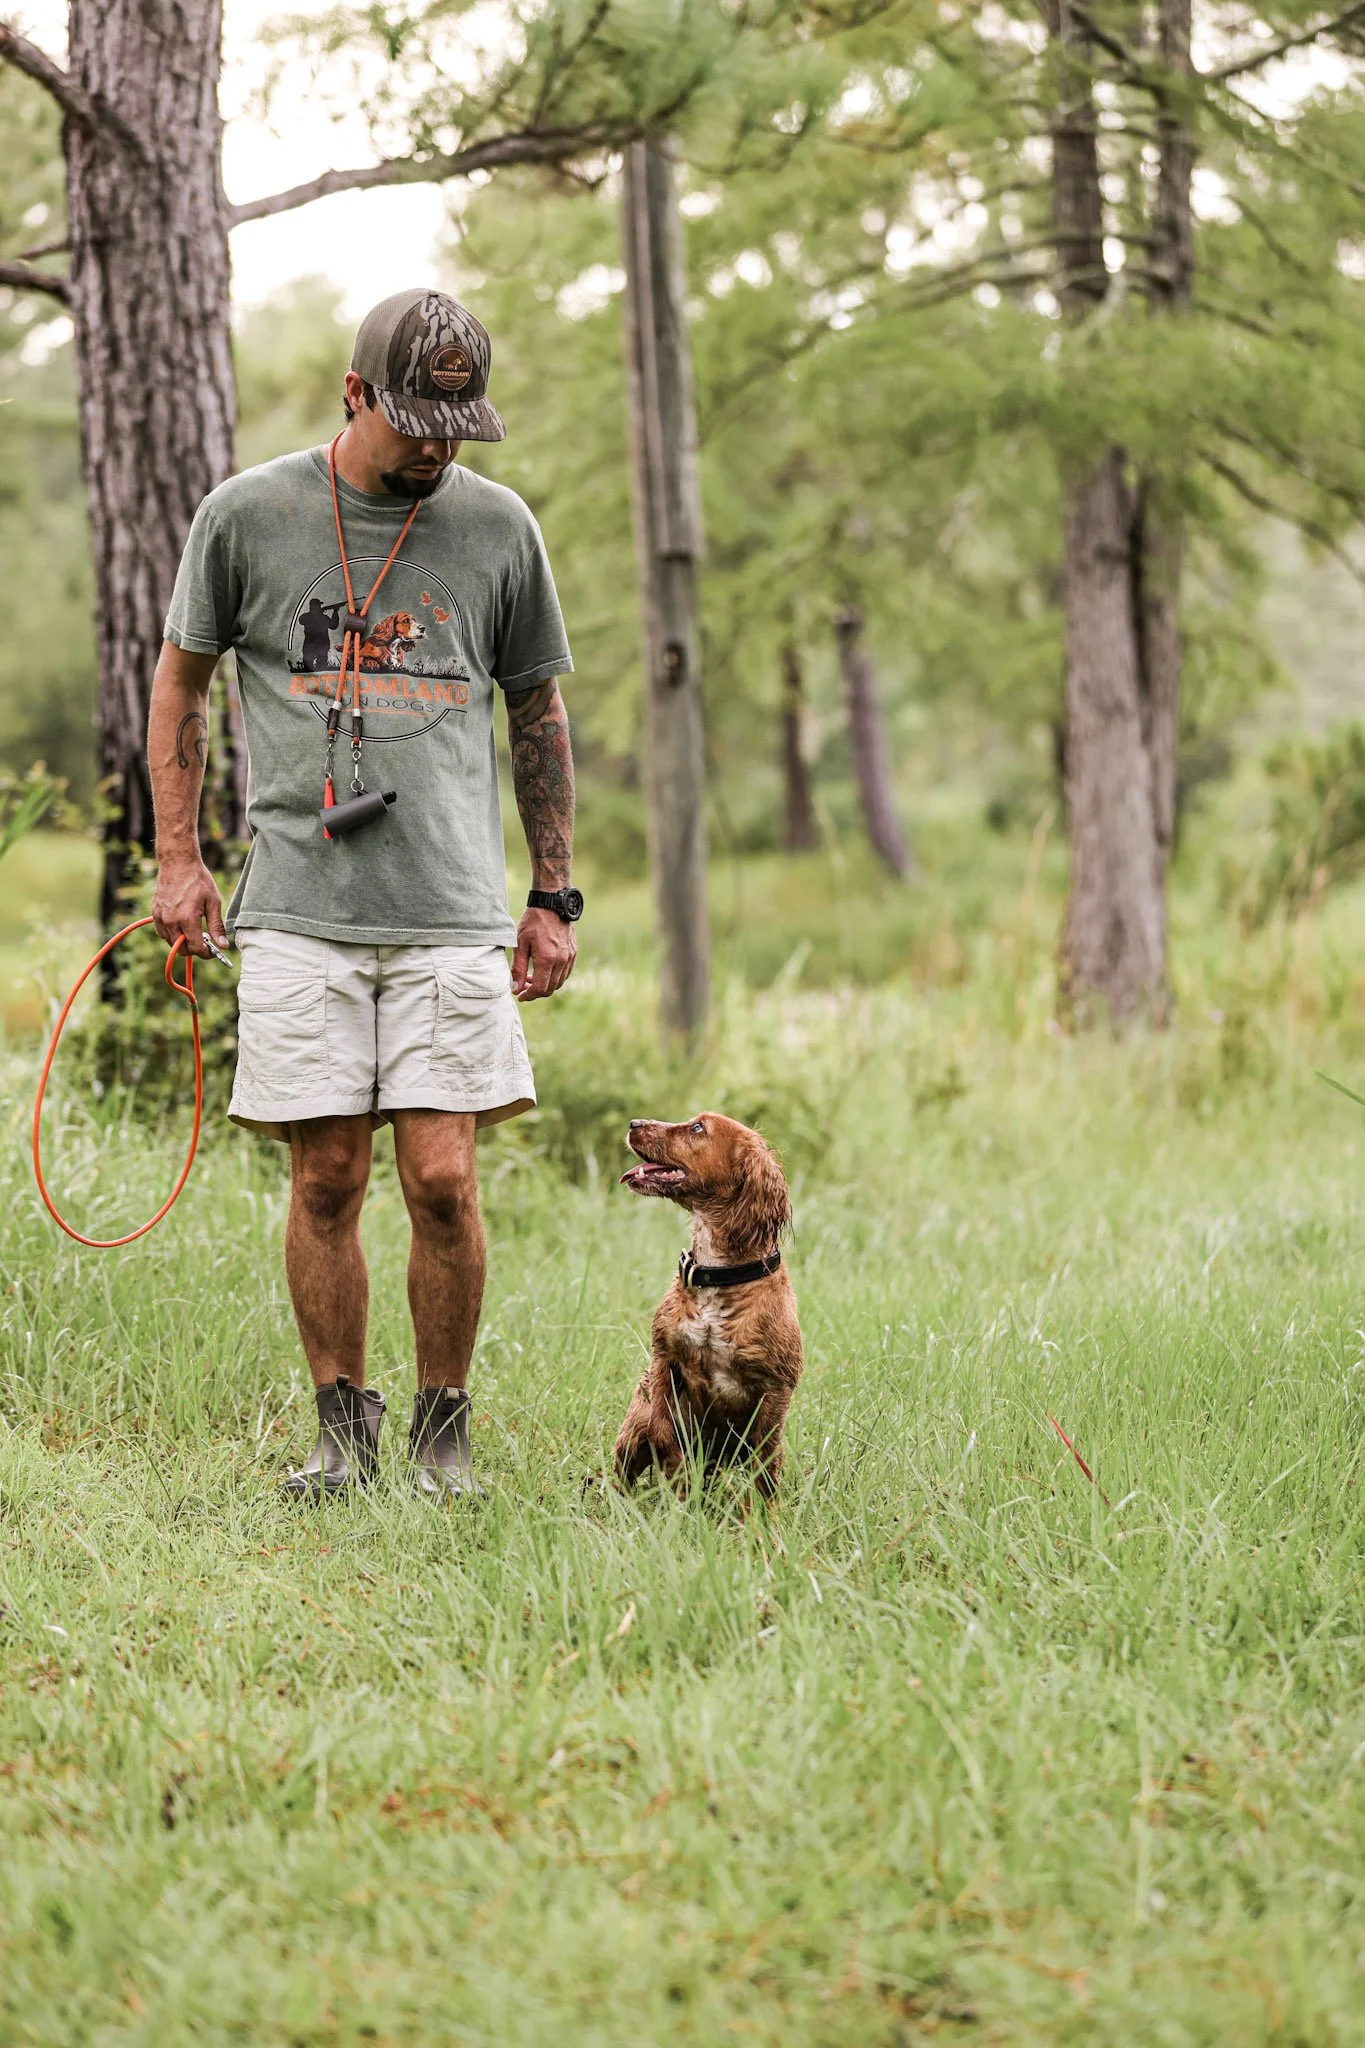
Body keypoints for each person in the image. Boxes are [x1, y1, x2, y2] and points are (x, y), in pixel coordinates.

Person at [147, 289, 583, 1500]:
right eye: (415, 422)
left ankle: (443, 1435)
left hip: (451, 909)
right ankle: (343, 1432)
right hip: (297, 907)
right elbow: (177, 688)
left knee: (443, 1178)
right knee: (326, 1176)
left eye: (458, 424)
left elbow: (537, 709)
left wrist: (555, 893)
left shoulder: (500, 529)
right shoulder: (247, 515)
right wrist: (181, 864)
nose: (438, 447)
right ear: (354, 397)